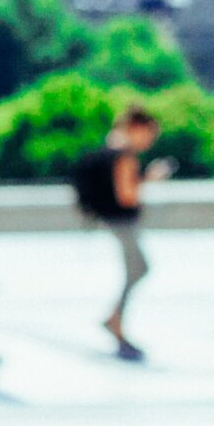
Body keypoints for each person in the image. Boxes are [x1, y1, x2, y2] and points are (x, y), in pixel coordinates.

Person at [75, 103, 169, 362]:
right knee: (139, 268)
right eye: (149, 135)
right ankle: (115, 320)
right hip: (121, 222)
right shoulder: (124, 155)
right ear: (137, 128)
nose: (149, 141)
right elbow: (127, 196)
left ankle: (115, 319)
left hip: (112, 220)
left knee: (137, 269)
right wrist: (149, 178)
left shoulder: (111, 146)